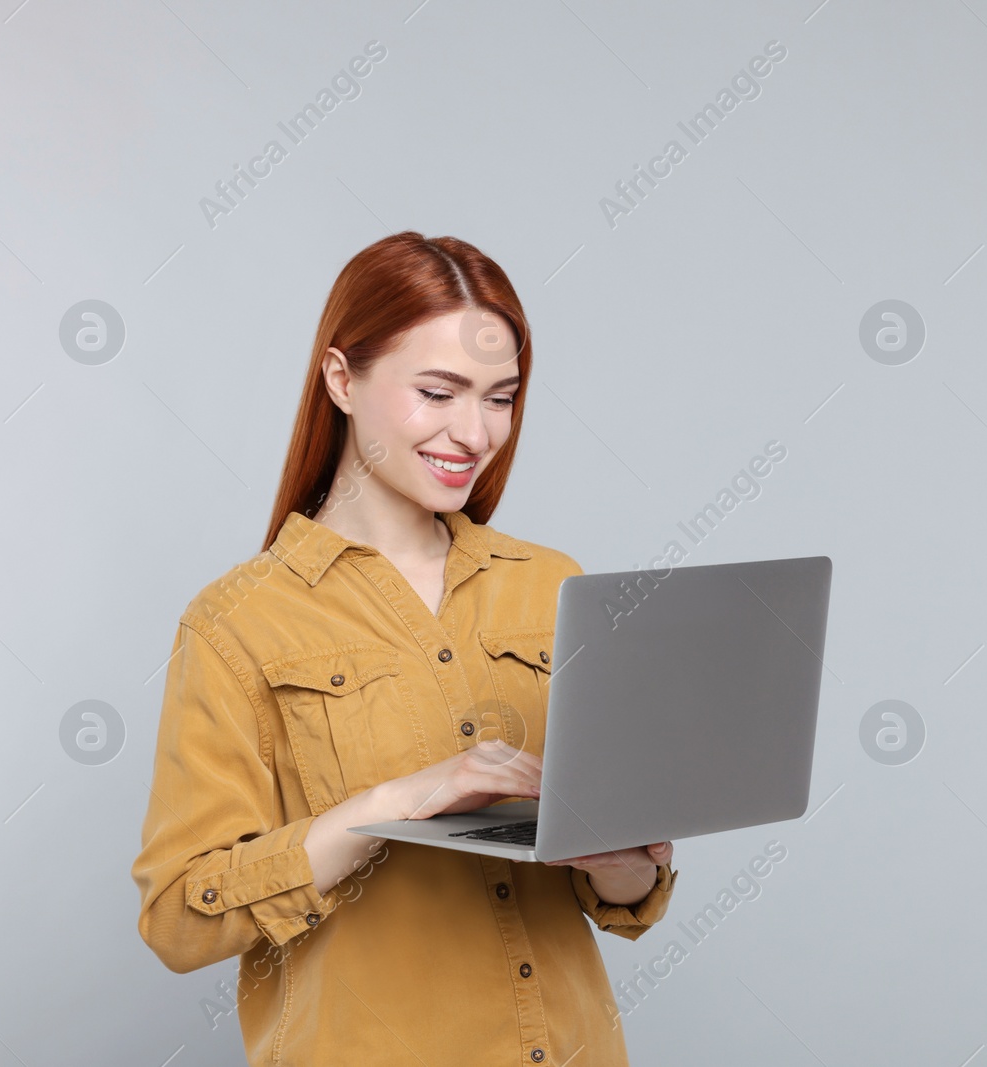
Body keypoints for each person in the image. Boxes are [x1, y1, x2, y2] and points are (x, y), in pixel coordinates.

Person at [131, 232, 677, 1065]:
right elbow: (180, 912)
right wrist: (399, 802)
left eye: (501, 397)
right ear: (342, 378)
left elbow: (621, 895)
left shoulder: (553, 586)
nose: (475, 431)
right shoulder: (237, 621)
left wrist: (623, 862)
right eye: (438, 391)